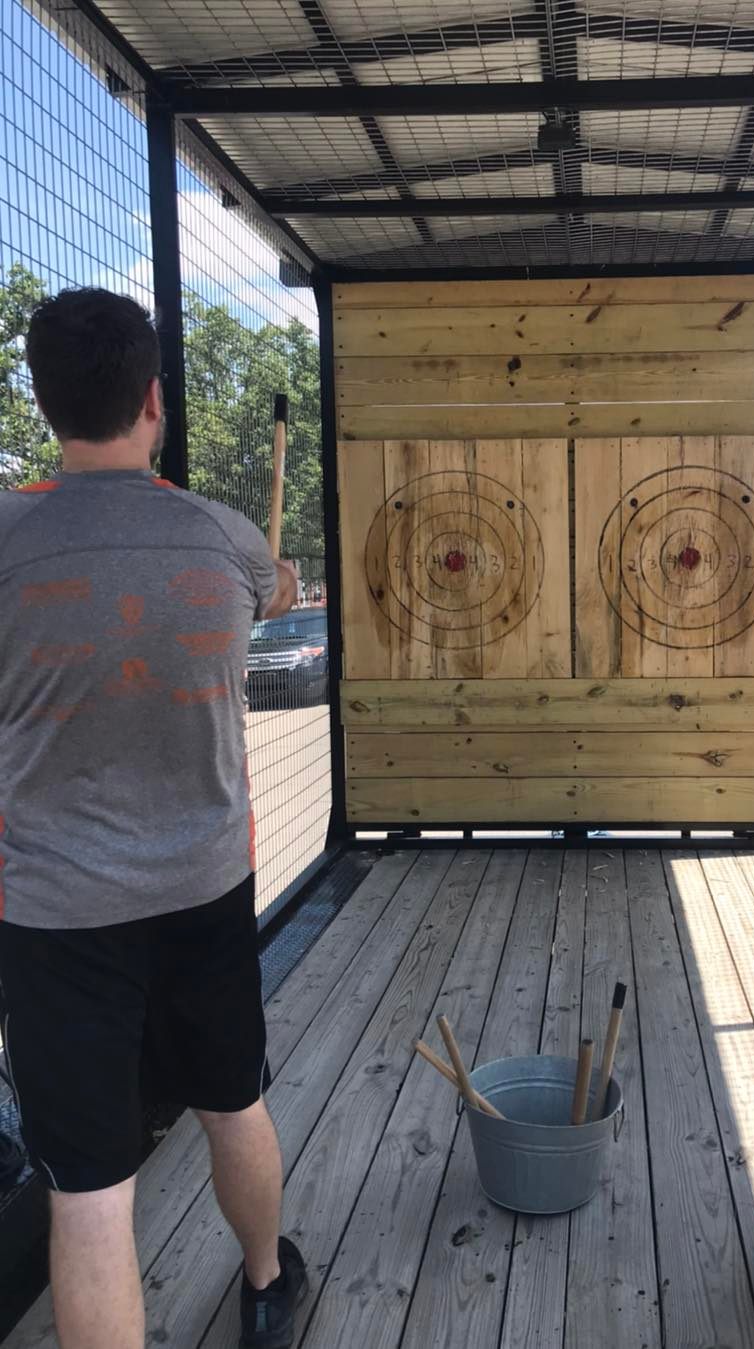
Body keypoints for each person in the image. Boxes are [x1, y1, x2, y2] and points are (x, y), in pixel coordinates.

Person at [0, 288, 308, 1349]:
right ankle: (268, 1282)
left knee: (88, 1189)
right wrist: (270, 581)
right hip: (203, 891)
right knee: (233, 1101)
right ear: (154, 400)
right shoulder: (221, 536)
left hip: (52, 912)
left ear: (46, 405)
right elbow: (270, 586)